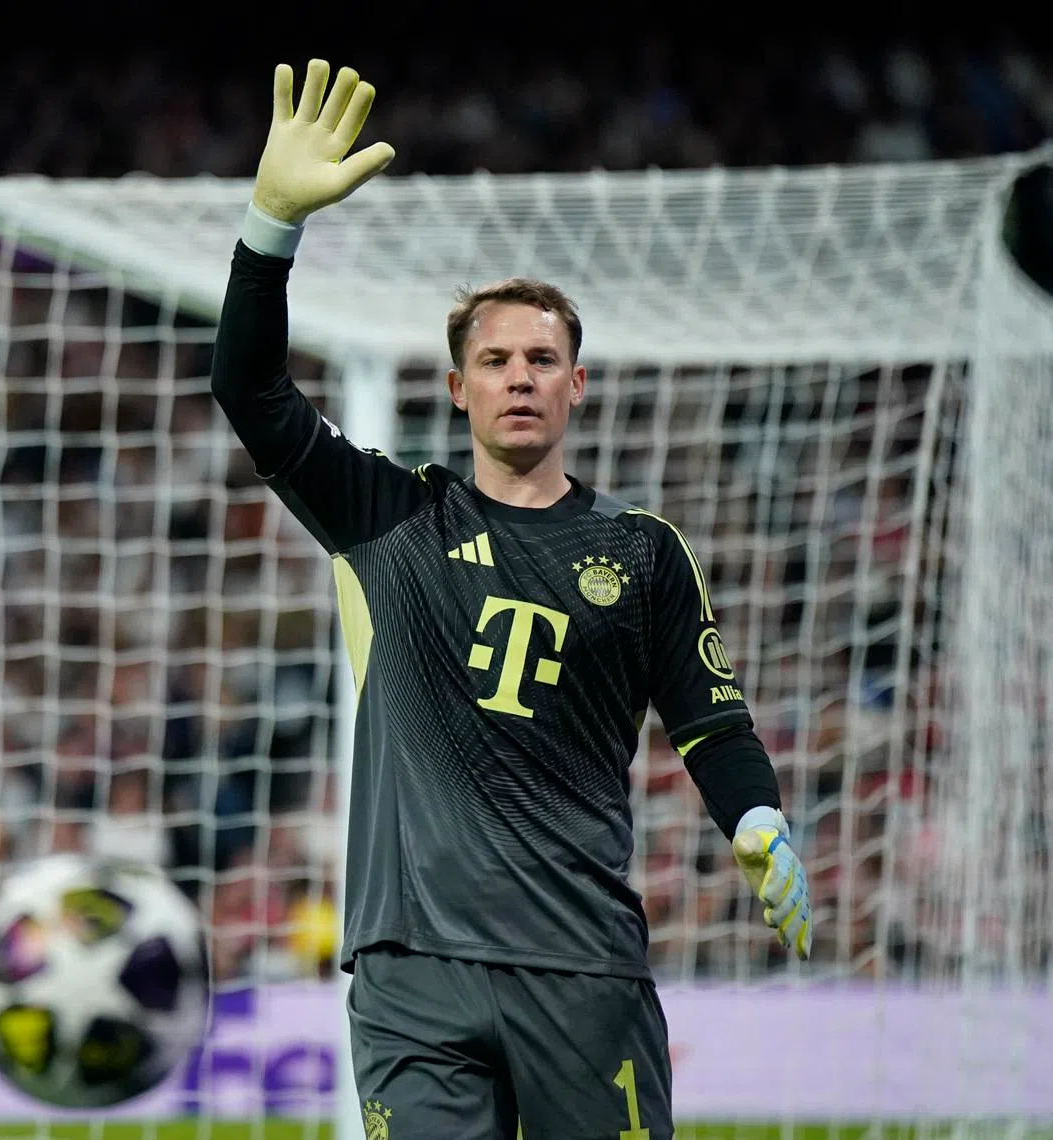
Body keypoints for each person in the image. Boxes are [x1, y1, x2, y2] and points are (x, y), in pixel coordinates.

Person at [211, 58, 813, 1140]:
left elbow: (713, 725)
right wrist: (269, 226)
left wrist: (758, 816)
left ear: (578, 384)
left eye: (544, 357)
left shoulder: (642, 552)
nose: (521, 375)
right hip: (413, 972)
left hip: (581, 967)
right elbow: (249, 391)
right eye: (496, 359)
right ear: (459, 388)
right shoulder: (391, 516)